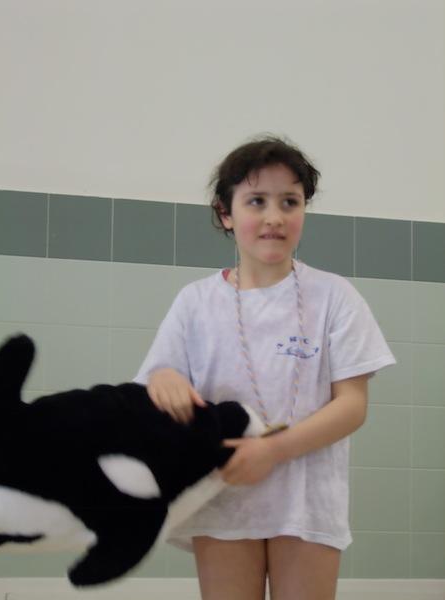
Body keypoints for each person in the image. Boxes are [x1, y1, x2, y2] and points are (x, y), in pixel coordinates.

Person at [134, 135, 396, 600]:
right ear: (226, 213)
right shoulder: (195, 302)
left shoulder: (335, 297)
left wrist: (273, 451)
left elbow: (352, 405)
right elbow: (157, 378)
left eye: (289, 202)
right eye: (256, 201)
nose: (274, 217)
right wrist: (166, 377)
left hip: (307, 504)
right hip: (222, 496)